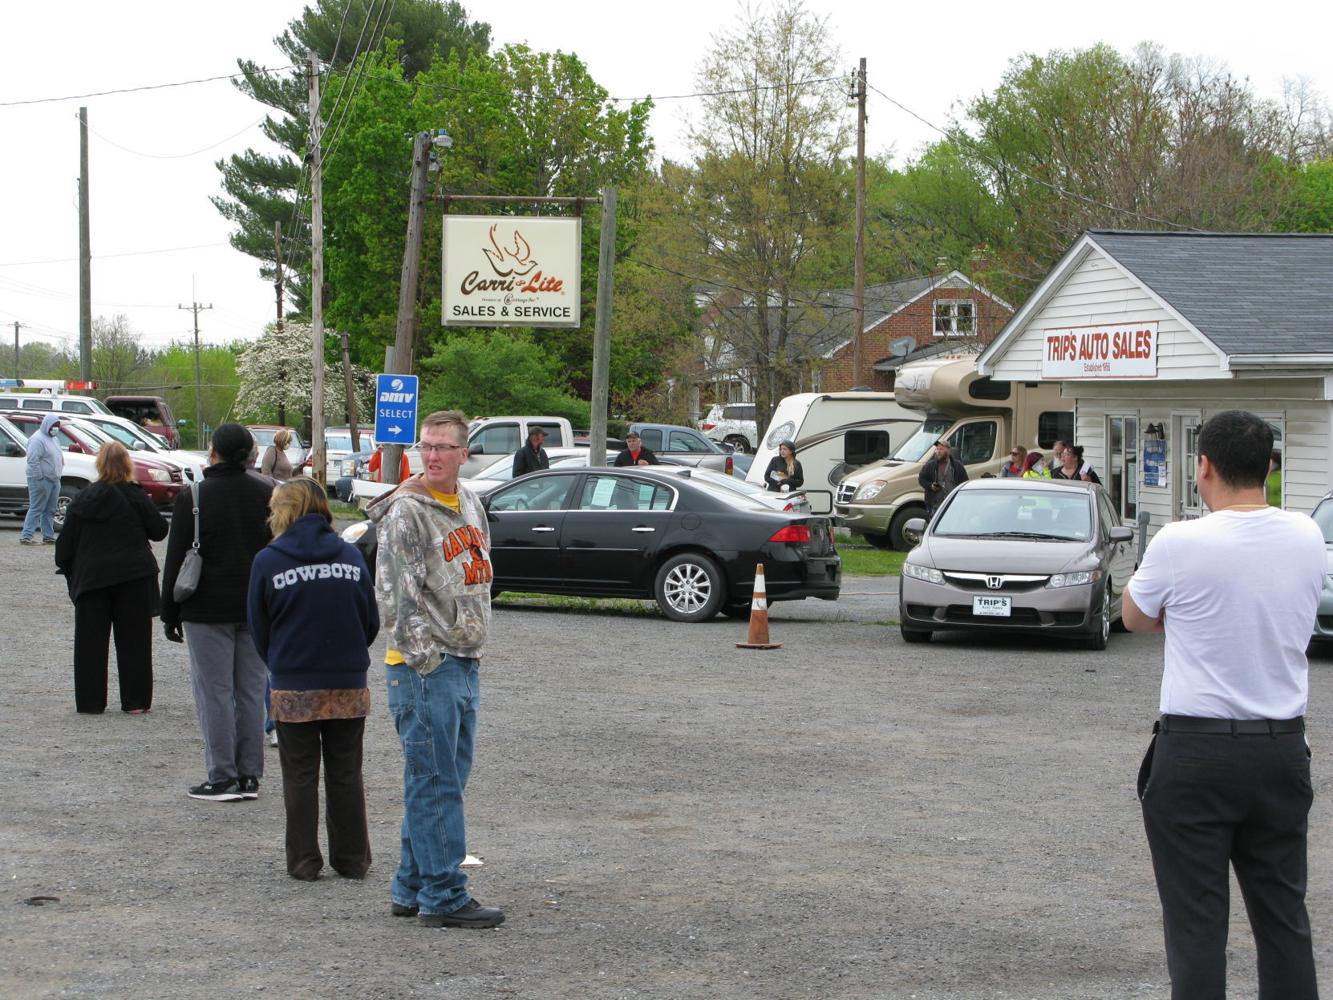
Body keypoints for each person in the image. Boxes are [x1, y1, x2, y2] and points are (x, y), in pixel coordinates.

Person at [1124, 409, 1325, 1000]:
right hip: (1280, 748)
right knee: (1284, 917)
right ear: (1269, 466)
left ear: (1202, 466)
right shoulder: (1307, 535)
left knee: (1197, 924)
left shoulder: (1179, 540)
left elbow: (1135, 618)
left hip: (1195, 750)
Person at [366, 410, 504, 929]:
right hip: (425, 667)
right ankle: (444, 895)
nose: (433, 456)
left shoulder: (469, 502)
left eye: (444, 447)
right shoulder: (407, 512)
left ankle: (411, 884)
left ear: (463, 454)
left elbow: (477, 574)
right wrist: (428, 660)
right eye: (427, 446)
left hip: (464, 661)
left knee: (440, 780)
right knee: (435, 780)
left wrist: (469, 645)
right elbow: (396, 600)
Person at [247, 478, 379, 881]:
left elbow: (258, 626)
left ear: (282, 511)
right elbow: (369, 620)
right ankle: (352, 859)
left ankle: (304, 861)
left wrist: (282, 663)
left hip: (293, 681)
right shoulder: (350, 557)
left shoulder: (269, 561)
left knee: (300, 774)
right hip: (347, 680)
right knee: (345, 771)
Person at [161, 423, 275, 803]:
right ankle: (249, 775)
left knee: (214, 692)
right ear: (249, 454)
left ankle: (222, 775)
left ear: (214, 451)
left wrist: (169, 613)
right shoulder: (268, 493)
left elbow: (177, 556)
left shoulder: (194, 495)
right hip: (256, 608)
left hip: (206, 607)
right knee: (251, 691)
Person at [54, 440, 169, 714]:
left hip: (93, 578)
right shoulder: (136, 496)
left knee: (89, 644)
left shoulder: (83, 499)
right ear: (128, 464)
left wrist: (72, 570)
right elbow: (159, 530)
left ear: (99, 464)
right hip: (133, 577)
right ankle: (136, 701)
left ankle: (90, 702)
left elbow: (65, 547)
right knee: (135, 643)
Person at [20, 412, 62, 545]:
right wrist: (39, 478)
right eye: (54, 425)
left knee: (50, 509)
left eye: (57, 425)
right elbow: (33, 461)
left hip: (54, 480)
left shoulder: (54, 438)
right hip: (41, 480)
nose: (56, 428)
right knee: (36, 507)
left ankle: (48, 536)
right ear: (47, 425)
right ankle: (26, 536)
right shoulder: (37, 439)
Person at [918, 440, 967, 515]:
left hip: (953, 505)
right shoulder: (929, 465)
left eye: (941, 449)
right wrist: (930, 486)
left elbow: (965, 483)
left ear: (949, 450)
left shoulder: (957, 466)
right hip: (935, 507)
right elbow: (921, 479)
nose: (938, 451)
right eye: (937, 449)